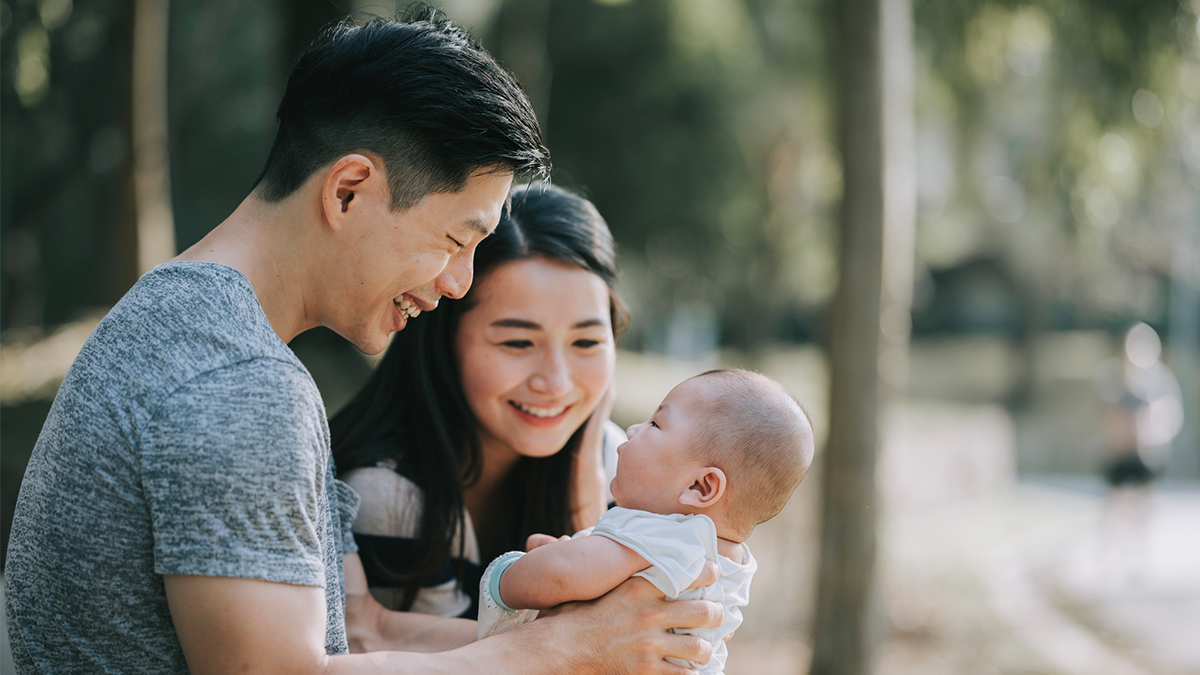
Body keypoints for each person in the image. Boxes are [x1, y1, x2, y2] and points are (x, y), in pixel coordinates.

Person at [5, 10, 721, 675]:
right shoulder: (240, 384)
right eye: (454, 238)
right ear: (349, 190)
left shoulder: (179, 315)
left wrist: (588, 640)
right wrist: (557, 649)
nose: (459, 282)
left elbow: (354, 630)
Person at [330, 182, 625, 630]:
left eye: (586, 341)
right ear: (444, 340)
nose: (556, 382)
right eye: (518, 342)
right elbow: (584, 649)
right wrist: (585, 529)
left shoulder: (613, 459)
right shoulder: (389, 494)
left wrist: (586, 493)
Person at [477, 369, 816, 674]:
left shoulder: (665, 535)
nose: (633, 428)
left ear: (700, 487)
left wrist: (510, 574)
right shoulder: (731, 561)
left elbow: (561, 576)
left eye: (655, 424)